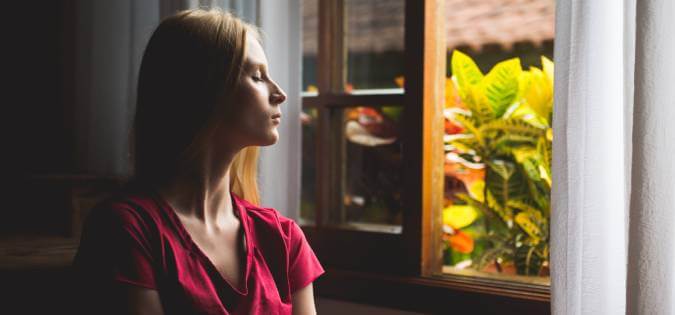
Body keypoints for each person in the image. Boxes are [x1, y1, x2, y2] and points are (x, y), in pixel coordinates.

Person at [72, 8, 324, 315]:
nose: (280, 93)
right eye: (257, 76)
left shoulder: (283, 240)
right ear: (203, 88)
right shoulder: (126, 230)